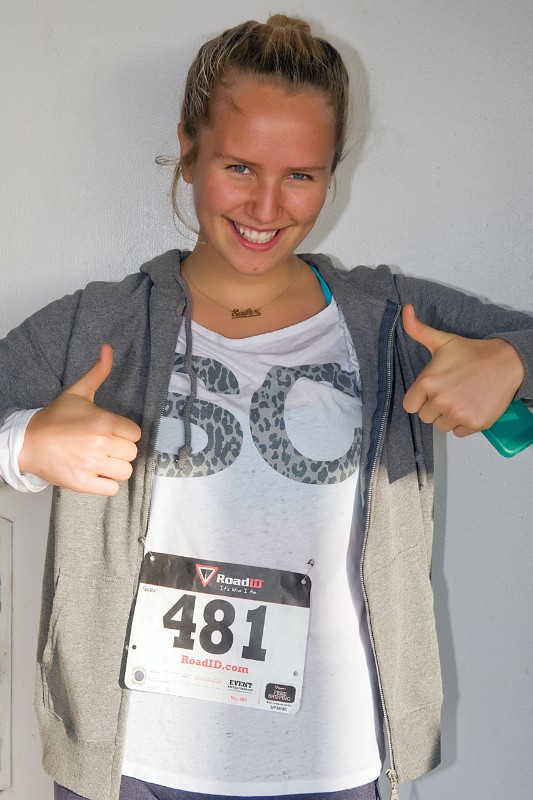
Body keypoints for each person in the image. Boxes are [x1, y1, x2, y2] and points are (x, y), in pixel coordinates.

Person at [0, 14, 531, 800]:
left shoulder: (388, 320)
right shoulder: (97, 324)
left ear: (332, 173)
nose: (266, 206)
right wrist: (23, 445)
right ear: (189, 151)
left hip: (333, 763)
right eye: (239, 167)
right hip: (133, 767)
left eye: (301, 175)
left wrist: (511, 360)